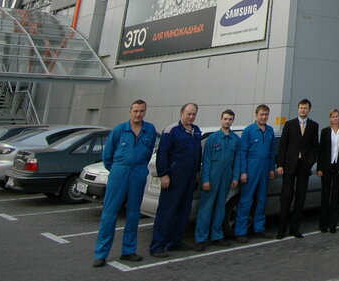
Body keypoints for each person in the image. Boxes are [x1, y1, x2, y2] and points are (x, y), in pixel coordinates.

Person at [93, 100, 158, 267]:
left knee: (134, 213)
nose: (138, 114)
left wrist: (139, 167)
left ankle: (128, 251)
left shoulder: (149, 129)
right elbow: (107, 156)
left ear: (145, 112)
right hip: (119, 172)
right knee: (109, 213)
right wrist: (118, 169)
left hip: (138, 172)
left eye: (141, 111)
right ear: (130, 112)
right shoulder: (119, 130)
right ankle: (101, 253)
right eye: (135, 111)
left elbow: (148, 151)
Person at [149, 103, 202, 257]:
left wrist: (196, 172)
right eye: (188, 114)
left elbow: (198, 153)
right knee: (166, 212)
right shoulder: (171, 130)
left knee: (183, 212)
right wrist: (164, 174)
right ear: (181, 113)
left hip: (189, 178)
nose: (191, 117)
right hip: (173, 178)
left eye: (193, 114)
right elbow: (162, 154)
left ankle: (175, 242)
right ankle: (157, 246)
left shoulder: (196, 131)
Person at [195, 109, 239, 250]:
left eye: (230, 119)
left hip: (226, 178)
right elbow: (206, 161)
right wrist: (206, 180)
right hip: (212, 178)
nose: (227, 121)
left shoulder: (235, 139)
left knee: (220, 208)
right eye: (225, 119)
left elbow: (237, 160)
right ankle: (201, 239)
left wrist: (235, 177)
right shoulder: (213, 139)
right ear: (221, 119)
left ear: (233, 121)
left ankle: (217, 236)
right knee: (206, 209)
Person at [276, 98, 319, 238]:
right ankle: (281, 229)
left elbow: (314, 146)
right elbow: (283, 146)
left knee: (300, 197)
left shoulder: (313, 126)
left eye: (305, 108)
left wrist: (310, 162)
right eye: (301, 107)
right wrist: (280, 164)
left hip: (304, 166)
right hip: (289, 166)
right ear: (298, 108)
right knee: (286, 197)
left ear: (309, 110)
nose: (303, 110)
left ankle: (295, 228)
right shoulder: (289, 124)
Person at [234, 104, 278, 243]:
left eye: (266, 115)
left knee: (262, 200)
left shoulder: (270, 130)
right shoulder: (249, 131)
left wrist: (271, 168)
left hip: (264, 169)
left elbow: (272, 152)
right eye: (261, 114)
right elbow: (243, 152)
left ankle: (259, 228)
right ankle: (240, 231)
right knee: (246, 201)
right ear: (256, 115)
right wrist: (243, 172)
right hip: (251, 169)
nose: (264, 117)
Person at [317, 109, 339, 233]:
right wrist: (319, 168)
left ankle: (333, 224)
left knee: (336, 195)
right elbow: (321, 151)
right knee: (325, 194)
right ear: (330, 118)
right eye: (333, 116)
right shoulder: (325, 131)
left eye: (337, 116)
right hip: (326, 167)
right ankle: (323, 224)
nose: (335, 118)